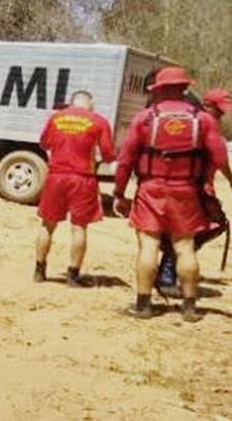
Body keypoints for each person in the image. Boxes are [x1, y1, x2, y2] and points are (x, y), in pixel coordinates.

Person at [113, 67, 230, 322]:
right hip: (186, 190)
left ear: (159, 90)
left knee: (149, 245)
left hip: (151, 190)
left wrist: (119, 193)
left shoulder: (144, 118)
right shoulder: (204, 120)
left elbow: (125, 161)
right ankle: (189, 308)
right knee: (185, 246)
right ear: (184, 88)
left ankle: (143, 305)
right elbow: (220, 158)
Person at [154, 87, 232, 296]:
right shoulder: (202, 126)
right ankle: (167, 274)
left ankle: (170, 268)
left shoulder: (199, 125)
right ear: (207, 106)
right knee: (195, 231)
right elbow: (219, 159)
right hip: (196, 188)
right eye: (219, 110)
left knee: (196, 231)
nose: (221, 115)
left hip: (195, 186)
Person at [34, 90, 116, 286]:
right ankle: (72, 275)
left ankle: (39, 270)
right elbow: (107, 154)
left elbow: (44, 142)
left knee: (47, 224)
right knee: (79, 227)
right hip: (82, 178)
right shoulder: (99, 121)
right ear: (90, 104)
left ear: (71, 103)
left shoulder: (56, 118)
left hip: (56, 176)